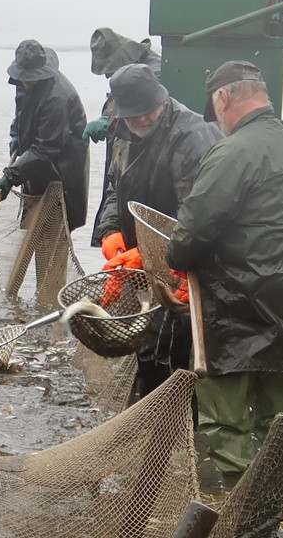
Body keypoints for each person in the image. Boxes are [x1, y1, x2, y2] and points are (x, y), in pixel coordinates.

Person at [166, 61, 283, 477]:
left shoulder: (231, 151)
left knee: (226, 423)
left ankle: (240, 509)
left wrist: (173, 262)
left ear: (223, 97)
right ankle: (275, 504)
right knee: (282, 422)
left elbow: (192, 232)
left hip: (236, 310)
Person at [95, 63, 221, 398]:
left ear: (161, 100)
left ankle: (173, 436)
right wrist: (110, 232)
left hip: (187, 266)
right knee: (146, 350)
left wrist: (150, 252)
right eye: (134, 114)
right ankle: (149, 417)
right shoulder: (121, 131)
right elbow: (113, 187)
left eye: (149, 110)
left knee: (169, 354)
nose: (143, 119)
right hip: (144, 268)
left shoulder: (190, 135)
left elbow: (199, 216)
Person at [0, 39, 89, 233]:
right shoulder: (26, 83)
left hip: (61, 173)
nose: (25, 81)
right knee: (34, 229)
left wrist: (11, 176)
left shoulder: (57, 99)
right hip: (36, 167)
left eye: (30, 77)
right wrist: (16, 134)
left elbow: (46, 149)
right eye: (23, 76)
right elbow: (23, 112)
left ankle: (54, 264)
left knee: (54, 232)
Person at [84, 28, 162, 246]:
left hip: (146, 179)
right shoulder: (129, 71)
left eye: (109, 71)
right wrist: (104, 118)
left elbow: (145, 117)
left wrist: (110, 124)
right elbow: (118, 103)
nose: (108, 76)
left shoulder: (154, 73)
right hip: (122, 176)